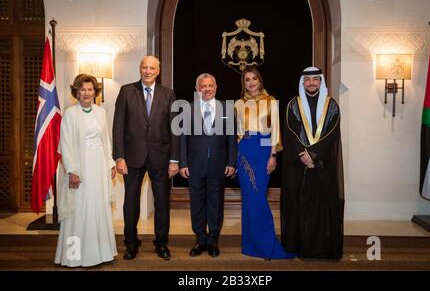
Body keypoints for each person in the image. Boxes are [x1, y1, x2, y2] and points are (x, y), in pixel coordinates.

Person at [112, 55, 179, 260]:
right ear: (140, 69)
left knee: (161, 203)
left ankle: (161, 243)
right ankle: (131, 243)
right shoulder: (126, 91)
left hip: (161, 157)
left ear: (158, 71)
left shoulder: (168, 94)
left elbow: (175, 129)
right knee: (130, 202)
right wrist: (119, 157)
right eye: (144, 67)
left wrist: (174, 159)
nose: (148, 71)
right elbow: (118, 126)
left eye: (152, 68)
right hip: (132, 158)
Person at [281, 66, 344, 260]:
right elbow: (290, 131)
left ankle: (323, 247)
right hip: (299, 165)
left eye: (315, 80)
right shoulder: (293, 104)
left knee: (322, 206)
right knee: (301, 204)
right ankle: (301, 246)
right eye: (307, 80)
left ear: (320, 82)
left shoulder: (331, 104)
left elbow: (332, 133)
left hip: (322, 164)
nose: (311, 83)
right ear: (302, 82)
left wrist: (314, 155)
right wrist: (303, 154)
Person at [54, 74, 117, 267]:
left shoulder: (101, 112)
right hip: (80, 169)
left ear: (95, 92)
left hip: (98, 167)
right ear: (76, 92)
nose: (87, 93)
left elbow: (106, 140)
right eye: (83, 89)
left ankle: (101, 253)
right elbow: (65, 145)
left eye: (90, 89)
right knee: (79, 209)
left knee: (98, 206)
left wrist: (110, 163)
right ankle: (74, 256)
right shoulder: (70, 114)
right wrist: (72, 170)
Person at [235, 67, 295, 260]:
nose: (251, 82)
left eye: (254, 79)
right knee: (248, 199)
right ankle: (250, 246)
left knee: (258, 198)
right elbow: (236, 132)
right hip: (244, 152)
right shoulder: (238, 104)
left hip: (263, 152)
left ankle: (266, 244)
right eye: (247, 80)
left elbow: (275, 130)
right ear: (243, 83)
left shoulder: (271, 101)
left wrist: (273, 156)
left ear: (260, 81)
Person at [179, 73, 237, 257]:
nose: (207, 89)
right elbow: (182, 139)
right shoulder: (188, 109)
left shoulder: (227, 108)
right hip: (194, 165)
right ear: (197, 89)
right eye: (203, 86)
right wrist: (183, 163)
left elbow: (232, 139)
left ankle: (213, 240)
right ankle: (200, 240)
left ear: (216, 87)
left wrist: (231, 162)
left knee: (215, 203)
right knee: (197, 203)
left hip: (219, 165)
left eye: (210, 85)